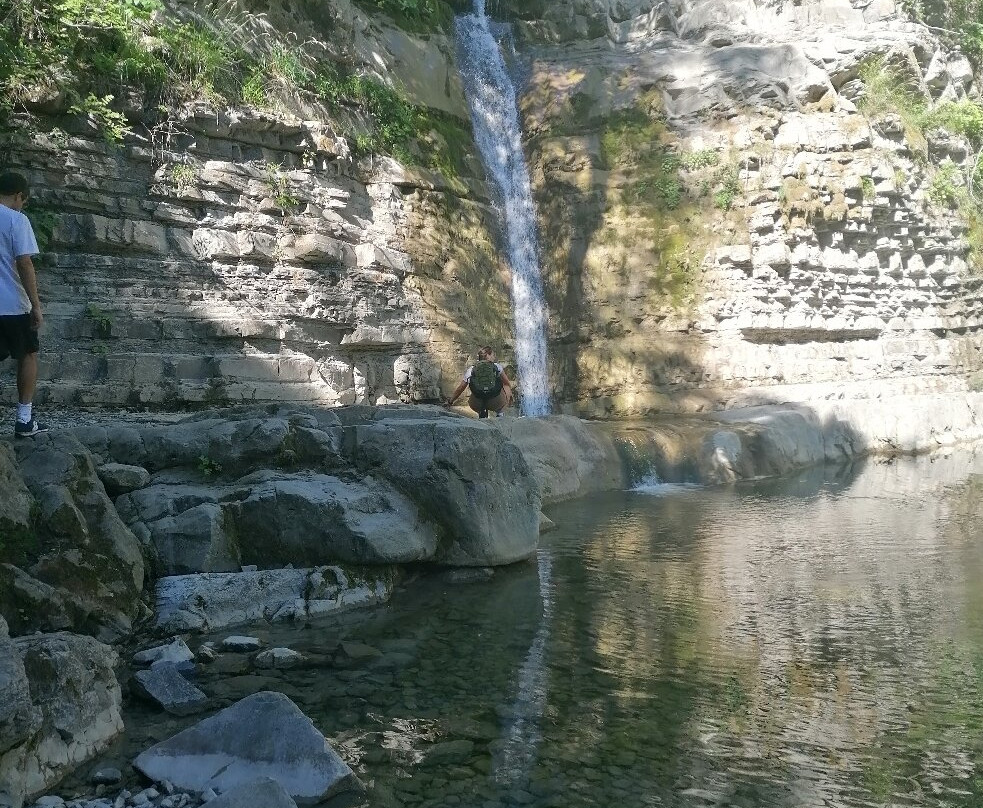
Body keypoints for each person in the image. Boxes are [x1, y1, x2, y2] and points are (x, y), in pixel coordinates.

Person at [0, 171, 46, 437]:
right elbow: (24, 263)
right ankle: (24, 420)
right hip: (13, 304)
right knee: (27, 355)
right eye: (23, 200)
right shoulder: (17, 220)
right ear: (18, 195)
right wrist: (36, 304)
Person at [445, 346, 513, 418]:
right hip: (495, 403)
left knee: (475, 394)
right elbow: (507, 383)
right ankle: (500, 413)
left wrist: (450, 401)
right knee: (507, 387)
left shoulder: (472, 369)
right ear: (488, 355)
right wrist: (509, 397)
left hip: (476, 404)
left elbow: (460, 388)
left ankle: (481, 412)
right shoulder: (497, 367)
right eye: (493, 355)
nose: (494, 357)